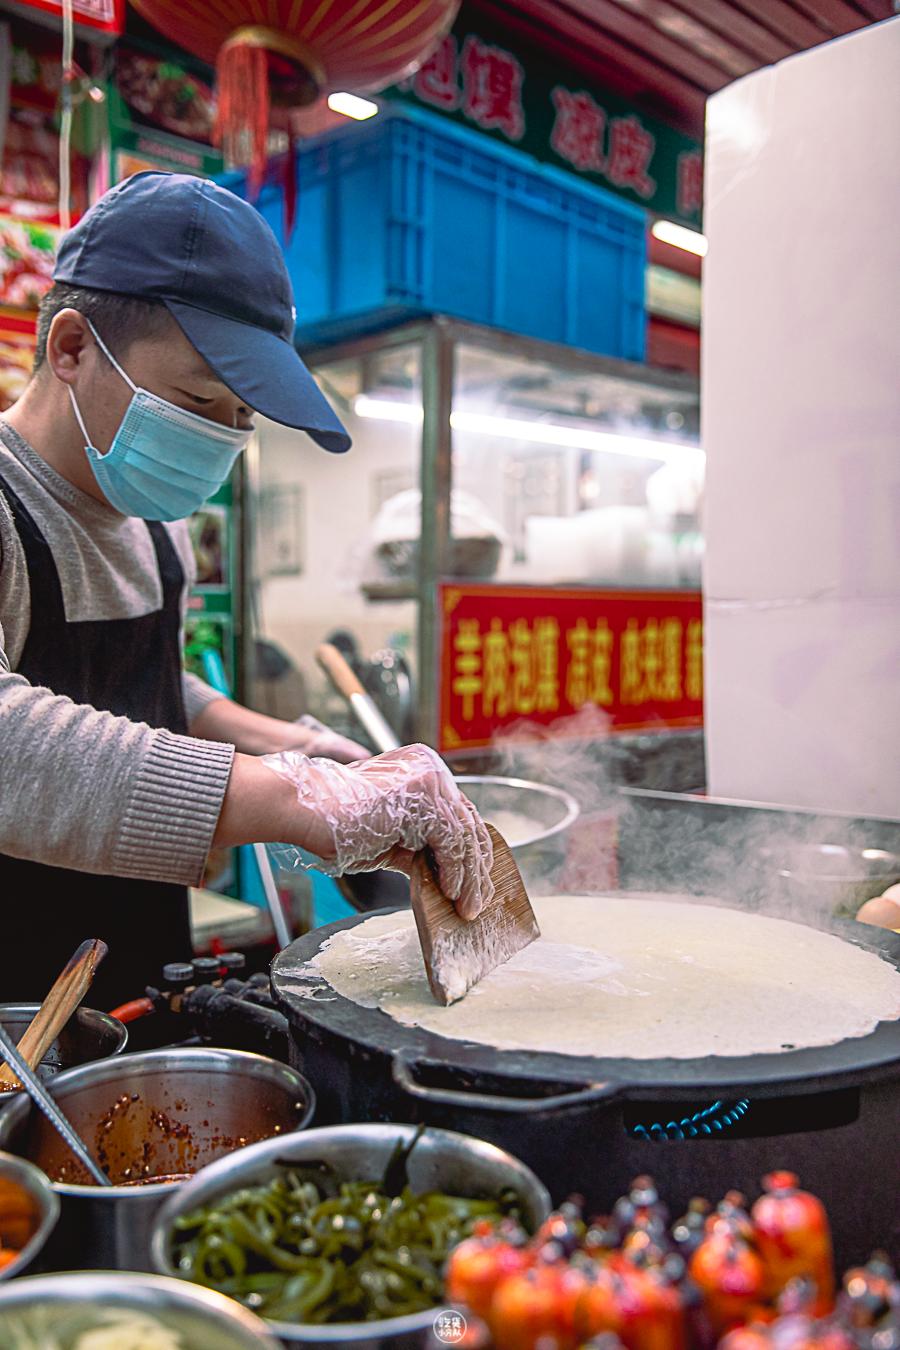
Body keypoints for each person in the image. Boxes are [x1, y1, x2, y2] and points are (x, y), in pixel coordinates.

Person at [0, 172, 493, 1007]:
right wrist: (294, 797)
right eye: (199, 400)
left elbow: (150, 690)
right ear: (72, 348)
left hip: (139, 966)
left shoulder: (156, 524)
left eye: (241, 418)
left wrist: (302, 749)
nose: (220, 440)